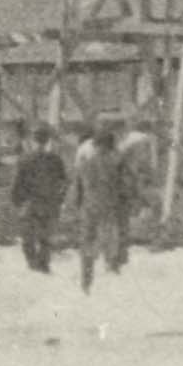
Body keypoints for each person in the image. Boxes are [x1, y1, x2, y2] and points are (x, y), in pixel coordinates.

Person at [67, 122, 132, 292]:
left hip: (89, 208)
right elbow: (126, 187)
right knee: (111, 241)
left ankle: (86, 279)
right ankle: (112, 269)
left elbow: (76, 190)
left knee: (87, 242)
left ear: (95, 145)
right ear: (111, 146)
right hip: (110, 208)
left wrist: (76, 207)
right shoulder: (117, 164)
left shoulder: (85, 164)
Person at [9, 126, 68, 275]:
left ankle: (32, 262)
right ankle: (43, 263)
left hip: (30, 202)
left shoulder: (25, 159)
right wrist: (59, 199)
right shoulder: (55, 159)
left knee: (27, 235)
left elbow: (17, 182)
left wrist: (15, 200)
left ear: (33, 140)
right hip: (49, 202)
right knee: (45, 235)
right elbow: (63, 182)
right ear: (47, 140)